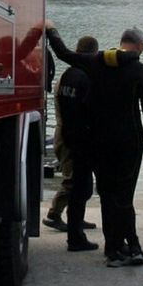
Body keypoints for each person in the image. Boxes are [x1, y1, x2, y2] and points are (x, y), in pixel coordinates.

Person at [45, 21, 143, 267]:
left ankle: (113, 249)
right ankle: (132, 247)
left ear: (120, 42)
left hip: (98, 140)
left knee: (107, 195)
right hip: (129, 142)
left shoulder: (95, 62)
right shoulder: (140, 71)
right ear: (140, 46)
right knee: (124, 197)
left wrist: (51, 30)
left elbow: (63, 53)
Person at [43, 34, 100, 251]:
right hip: (69, 136)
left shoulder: (67, 75)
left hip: (62, 133)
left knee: (79, 183)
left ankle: (75, 218)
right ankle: (54, 214)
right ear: (93, 53)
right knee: (73, 181)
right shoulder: (82, 77)